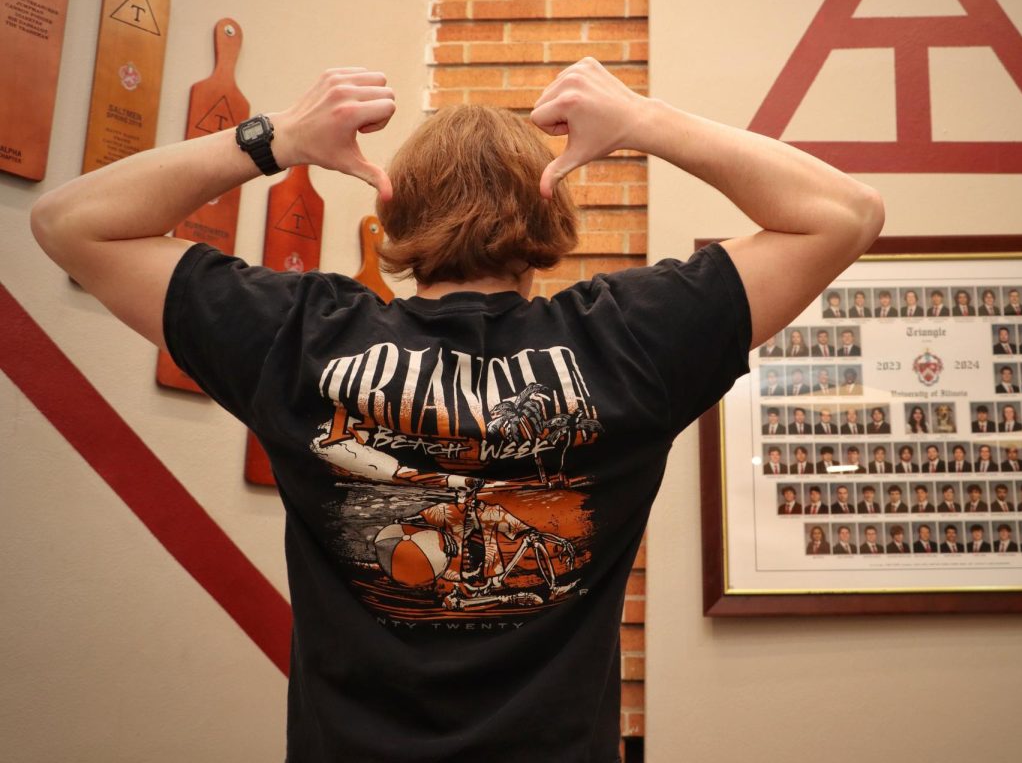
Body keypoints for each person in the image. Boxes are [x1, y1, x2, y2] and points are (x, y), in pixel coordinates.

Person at [32, 58, 884, 760]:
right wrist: (643, 120)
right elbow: (844, 214)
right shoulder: (630, 340)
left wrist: (277, 141)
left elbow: (71, 223)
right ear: (554, 202)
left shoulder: (302, 337)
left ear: (390, 209)